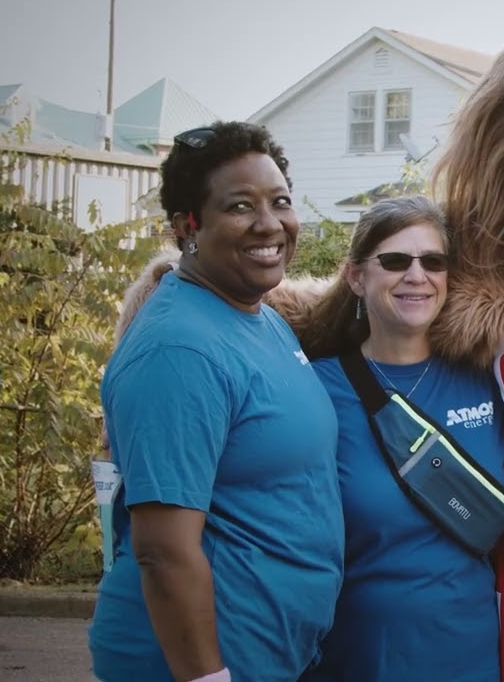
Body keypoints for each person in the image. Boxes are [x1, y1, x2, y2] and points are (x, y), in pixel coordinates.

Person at [89, 122, 345, 682]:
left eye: (280, 201)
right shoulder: (179, 350)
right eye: (239, 206)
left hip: (271, 653)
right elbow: (164, 550)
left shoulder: (259, 317)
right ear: (188, 227)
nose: (269, 224)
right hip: (197, 664)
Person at [297, 196, 504, 681]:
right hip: (359, 657)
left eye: (433, 262)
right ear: (355, 277)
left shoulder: (488, 378)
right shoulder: (315, 389)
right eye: (395, 261)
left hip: (473, 657)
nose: (417, 276)